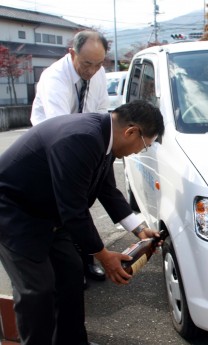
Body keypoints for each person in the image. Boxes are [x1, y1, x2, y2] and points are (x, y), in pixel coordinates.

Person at [0, 100, 165, 345]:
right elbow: (73, 210)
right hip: (15, 214)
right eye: (144, 146)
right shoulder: (81, 138)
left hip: (50, 214)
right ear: (131, 131)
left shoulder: (105, 138)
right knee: (38, 289)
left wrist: (139, 230)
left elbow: (108, 191)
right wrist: (103, 255)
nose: (139, 152)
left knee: (71, 276)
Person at [30, 29, 110, 283]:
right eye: (87, 63)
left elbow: (101, 113)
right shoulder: (54, 77)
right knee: (65, 207)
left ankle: (86, 260)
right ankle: (69, 267)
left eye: (98, 64)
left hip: (82, 143)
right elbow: (61, 127)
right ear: (71, 53)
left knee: (84, 203)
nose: (92, 70)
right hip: (53, 148)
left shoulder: (99, 73)